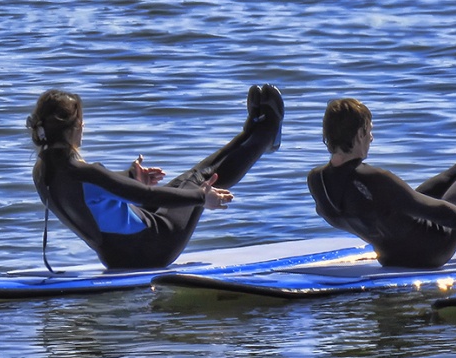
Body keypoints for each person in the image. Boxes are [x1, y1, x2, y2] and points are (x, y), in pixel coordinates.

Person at [26, 84, 284, 270]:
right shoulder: (86, 173)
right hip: (155, 246)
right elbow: (144, 195)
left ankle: (248, 134)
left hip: (117, 256)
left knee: (187, 182)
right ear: (74, 128)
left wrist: (131, 176)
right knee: (198, 180)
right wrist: (201, 199)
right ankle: (263, 135)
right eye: (82, 122)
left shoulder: (42, 171)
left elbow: (94, 198)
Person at [306, 98, 456, 269]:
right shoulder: (374, 178)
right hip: (433, 251)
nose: (371, 138)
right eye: (369, 131)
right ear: (359, 134)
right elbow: (431, 210)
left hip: (390, 256)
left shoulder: (317, 180)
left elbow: (359, 212)